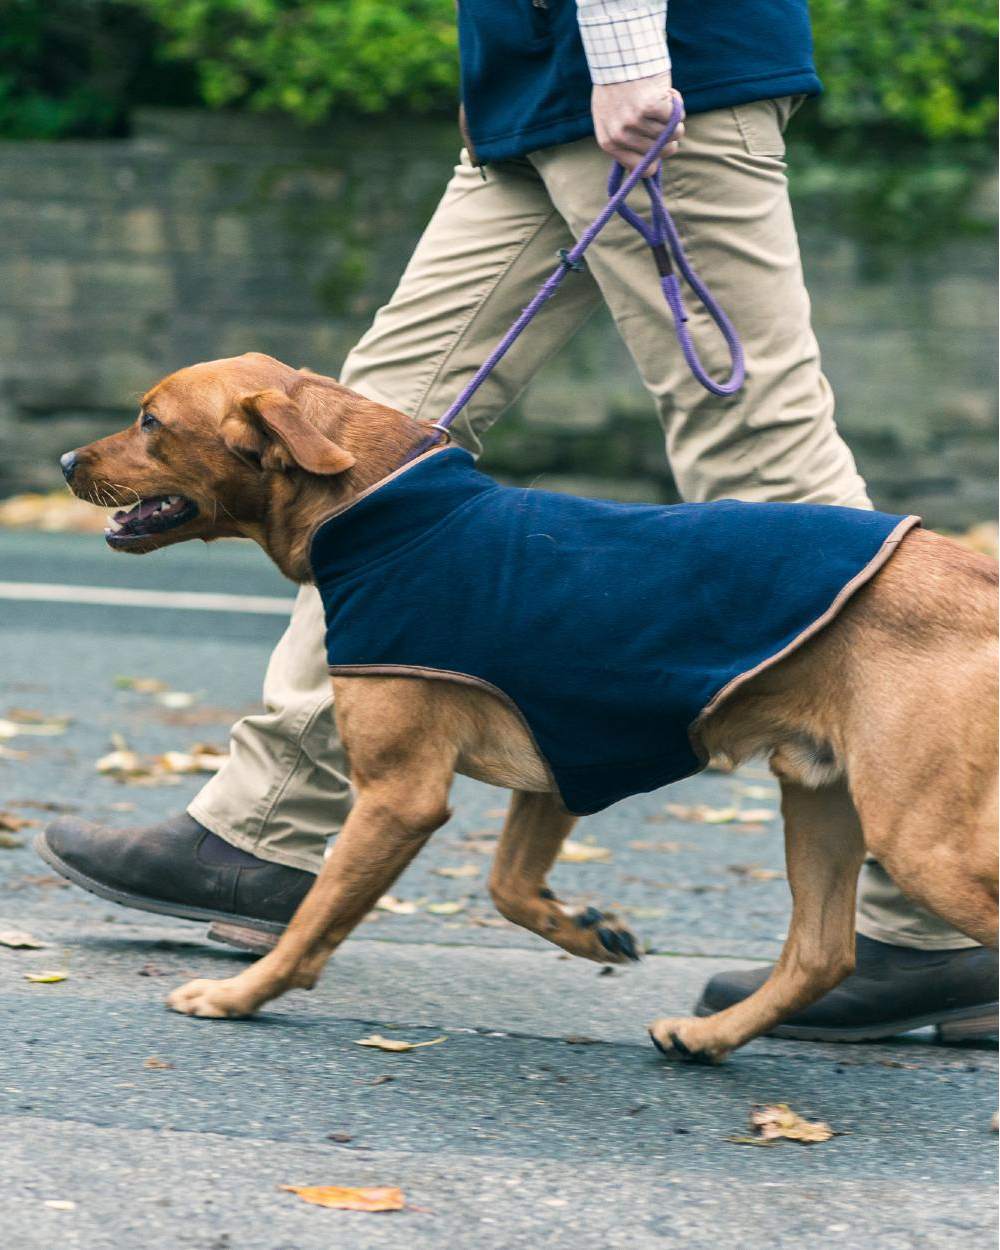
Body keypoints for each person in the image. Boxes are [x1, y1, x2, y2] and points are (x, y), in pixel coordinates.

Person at [40, 0, 996, 1042]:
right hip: (525, 91)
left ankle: (925, 901)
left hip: (650, 77)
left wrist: (626, 54)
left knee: (763, 464)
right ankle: (261, 826)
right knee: (358, 445)